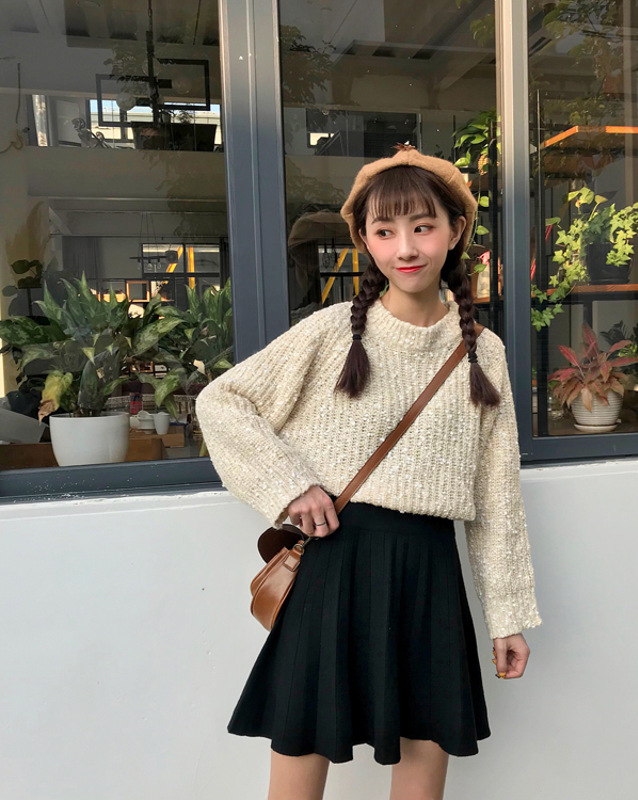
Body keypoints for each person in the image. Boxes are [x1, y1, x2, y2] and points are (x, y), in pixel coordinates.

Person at [195, 144, 542, 800]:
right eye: (385, 231)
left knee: (422, 767)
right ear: (364, 240)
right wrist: (289, 485)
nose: (405, 247)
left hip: (429, 576)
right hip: (334, 568)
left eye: (422, 226)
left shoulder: (483, 352)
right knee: (298, 767)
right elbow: (222, 401)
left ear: (456, 231)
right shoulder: (330, 333)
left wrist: (506, 615)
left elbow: (496, 497)